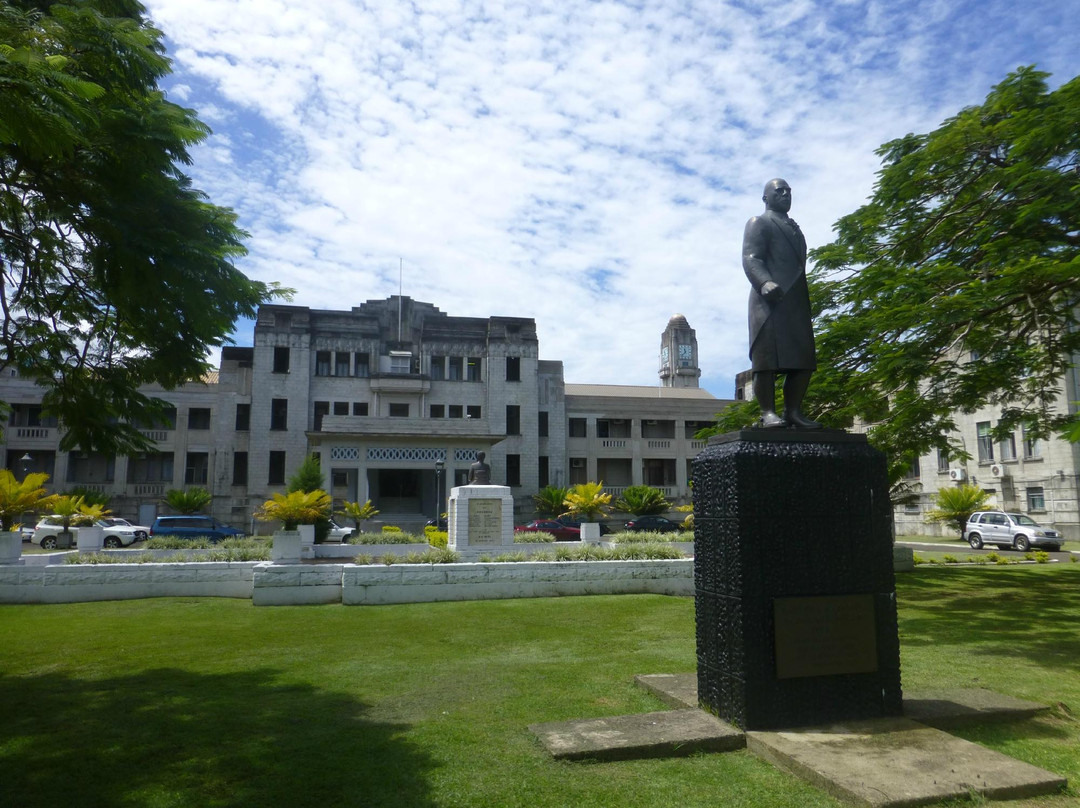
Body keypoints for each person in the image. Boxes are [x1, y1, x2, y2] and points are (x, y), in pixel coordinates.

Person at [742, 178, 820, 429]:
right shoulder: (759, 222)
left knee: (803, 359)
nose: (786, 194)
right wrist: (764, 282)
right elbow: (751, 257)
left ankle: (793, 412)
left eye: (788, 191)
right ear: (766, 198)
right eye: (779, 191)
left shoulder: (794, 227)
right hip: (768, 302)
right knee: (766, 361)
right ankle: (767, 412)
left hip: (795, 302)